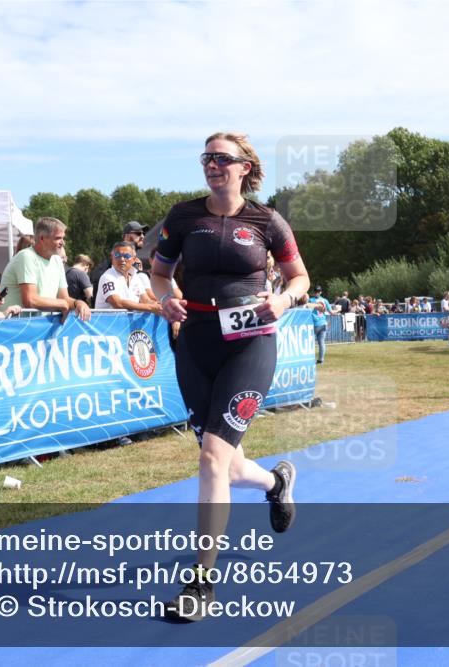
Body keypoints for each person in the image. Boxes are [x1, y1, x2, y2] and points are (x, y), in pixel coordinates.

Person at [150, 132, 309, 622]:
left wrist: (282, 298)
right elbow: (159, 272)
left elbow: (300, 277)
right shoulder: (182, 216)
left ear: (245, 167)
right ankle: (276, 482)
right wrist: (164, 297)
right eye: (207, 158)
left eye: (223, 158)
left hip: (251, 340)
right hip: (196, 342)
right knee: (224, 463)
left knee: (212, 459)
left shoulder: (267, 220)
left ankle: (201, 583)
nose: (213, 165)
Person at [0, 217, 91, 323]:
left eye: (63, 238)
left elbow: (65, 298)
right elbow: (30, 300)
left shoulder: (57, 260)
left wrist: (78, 303)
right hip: (13, 327)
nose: (63, 243)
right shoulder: (26, 256)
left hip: (36, 327)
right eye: (58, 238)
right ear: (42, 238)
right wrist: (63, 304)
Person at [94, 241, 163, 314]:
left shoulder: (135, 277)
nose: (122, 259)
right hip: (106, 324)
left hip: (126, 323)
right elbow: (117, 303)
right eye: (117, 255)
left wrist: (160, 305)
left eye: (126, 256)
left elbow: (145, 300)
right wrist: (151, 307)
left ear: (134, 259)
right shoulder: (107, 277)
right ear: (112, 258)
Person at [91, 221, 148, 294]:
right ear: (127, 236)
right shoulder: (113, 262)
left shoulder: (136, 263)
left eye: (143, 233)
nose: (142, 236)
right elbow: (97, 278)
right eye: (138, 233)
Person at [311, 298, 327, 363]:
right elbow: (331, 311)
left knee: (311, 343)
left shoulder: (311, 300)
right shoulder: (325, 300)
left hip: (314, 323)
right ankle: (321, 359)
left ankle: (312, 359)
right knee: (322, 343)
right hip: (323, 323)